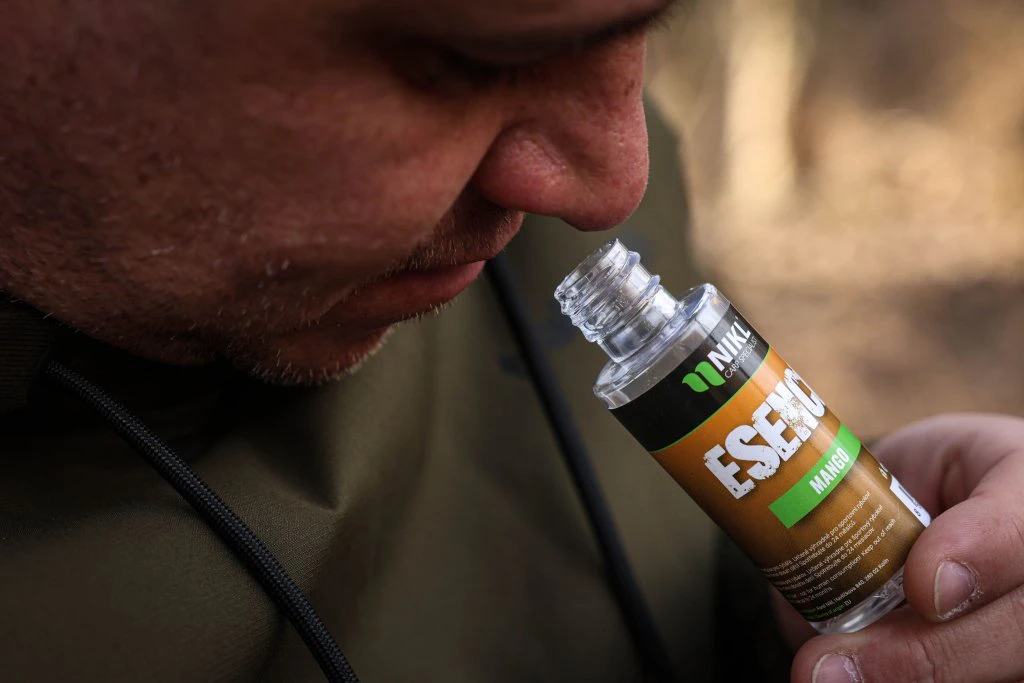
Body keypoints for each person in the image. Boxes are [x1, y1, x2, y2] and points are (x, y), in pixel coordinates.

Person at [1, 0, 1022, 681]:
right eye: (466, 61)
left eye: (643, 26)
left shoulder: (543, 202)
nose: (612, 185)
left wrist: (818, 606)